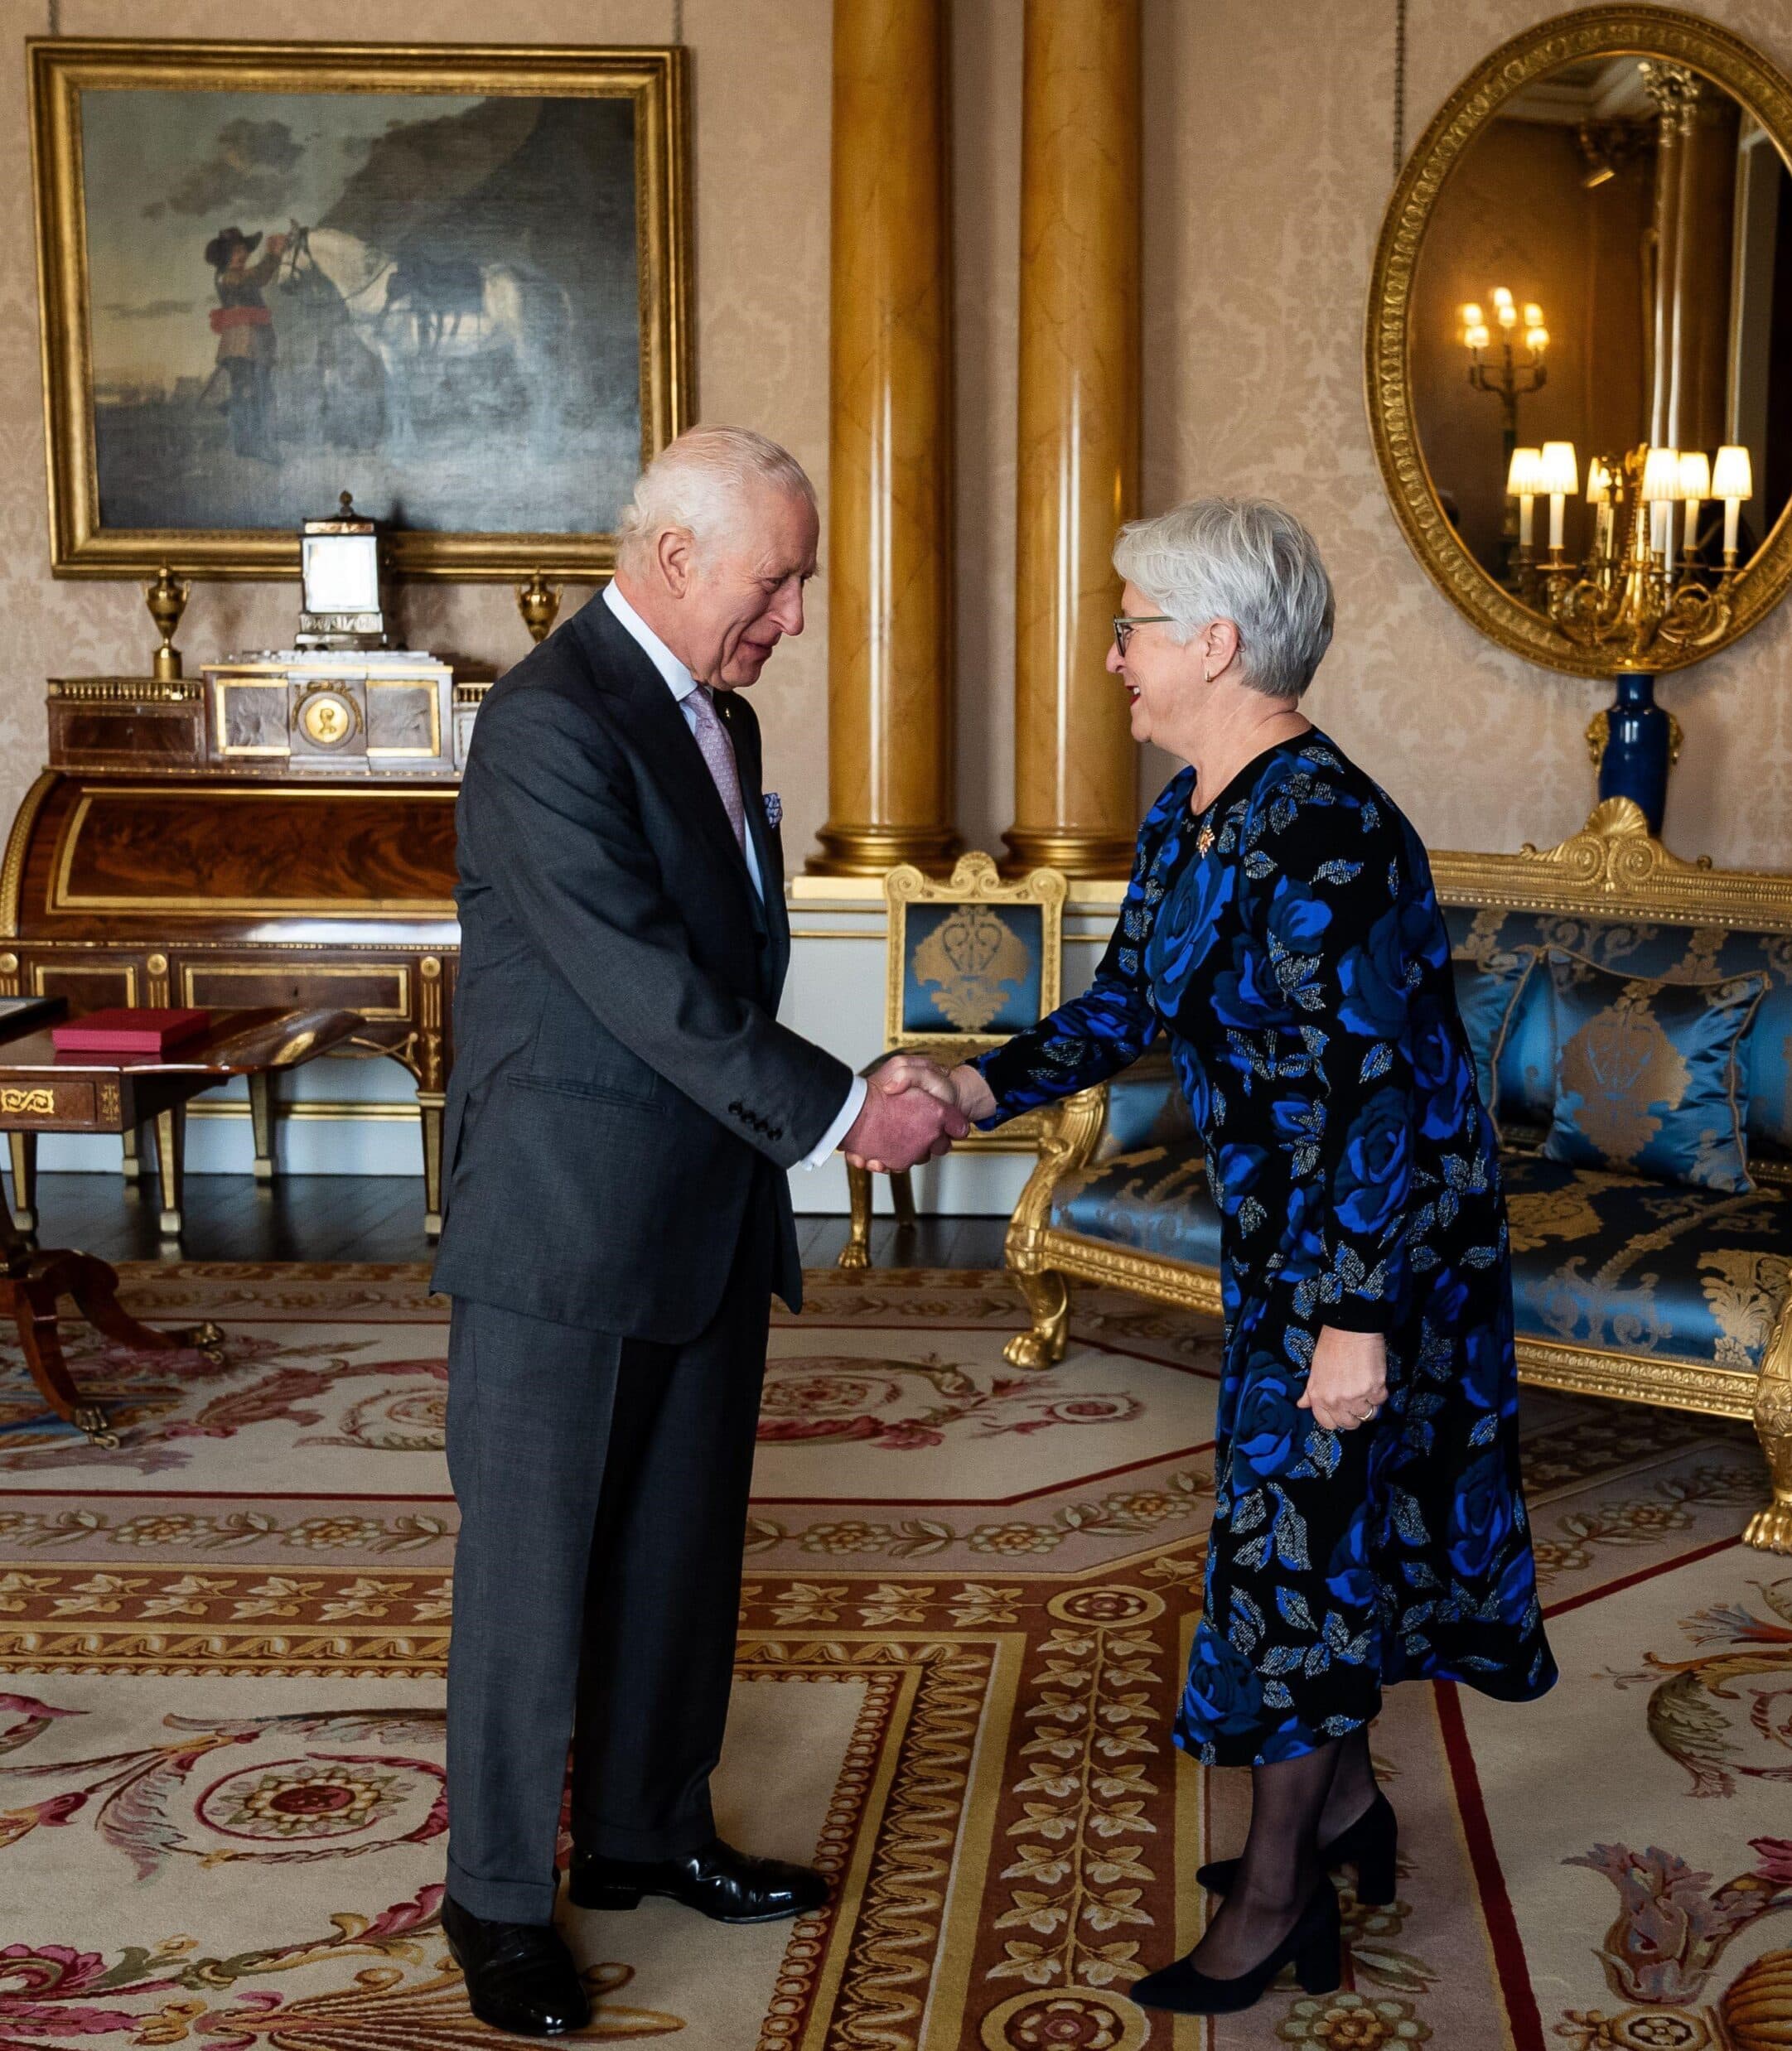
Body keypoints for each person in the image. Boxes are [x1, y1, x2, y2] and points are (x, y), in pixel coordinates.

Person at [879, 497, 1557, 2017]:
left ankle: (1276, 1901)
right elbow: (1125, 1005)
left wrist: (1353, 1322)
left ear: (1214, 641)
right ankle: (1346, 1807)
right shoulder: (1193, 808)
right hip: (1290, 1244)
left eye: (1128, 625)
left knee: (1295, 1554)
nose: (1111, 655)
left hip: (1371, 1251)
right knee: (1318, 1534)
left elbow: (1375, 1094)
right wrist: (973, 1084)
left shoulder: (1330, 832)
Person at [432, 425, 968, 2038]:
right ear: (672, 559)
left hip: (703, 1210)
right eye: (776, 579)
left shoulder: (713, 717)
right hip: (563, 1226)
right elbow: (640, 981)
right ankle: (499, 1899)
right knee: (532, 1582)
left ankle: (648, 1833)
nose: (792, 615)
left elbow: (717, 975)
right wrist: (840, 1110)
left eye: (796, 580)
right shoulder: (546, 723)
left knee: (677, 1555)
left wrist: (822, 1104)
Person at [202, 225, 286, 461]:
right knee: (250, 392)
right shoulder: (228, 276)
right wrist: (273, 254)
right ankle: (250, 445)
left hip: (257, 342)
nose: (242, 255)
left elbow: (258, 277)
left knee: (260, 392)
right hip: (241, 344)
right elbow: (258, 276)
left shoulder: (236, 275)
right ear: (225, 256)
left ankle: (251, 441)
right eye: (236, 251)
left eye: (243, 250)